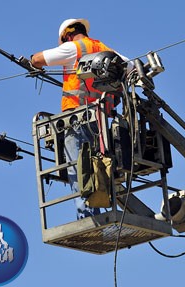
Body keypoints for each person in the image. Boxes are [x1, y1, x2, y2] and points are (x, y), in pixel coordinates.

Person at [31, 18, 133, 219]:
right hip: (103, 123)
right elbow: (132, 68)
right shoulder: (105, 49)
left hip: (78, 120)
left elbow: (38, 59)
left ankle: (87, 215)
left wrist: (32, 61)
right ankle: (100, 208)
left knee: (79, 169)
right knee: (99, 166)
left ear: (66, 35)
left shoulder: (73, 47)